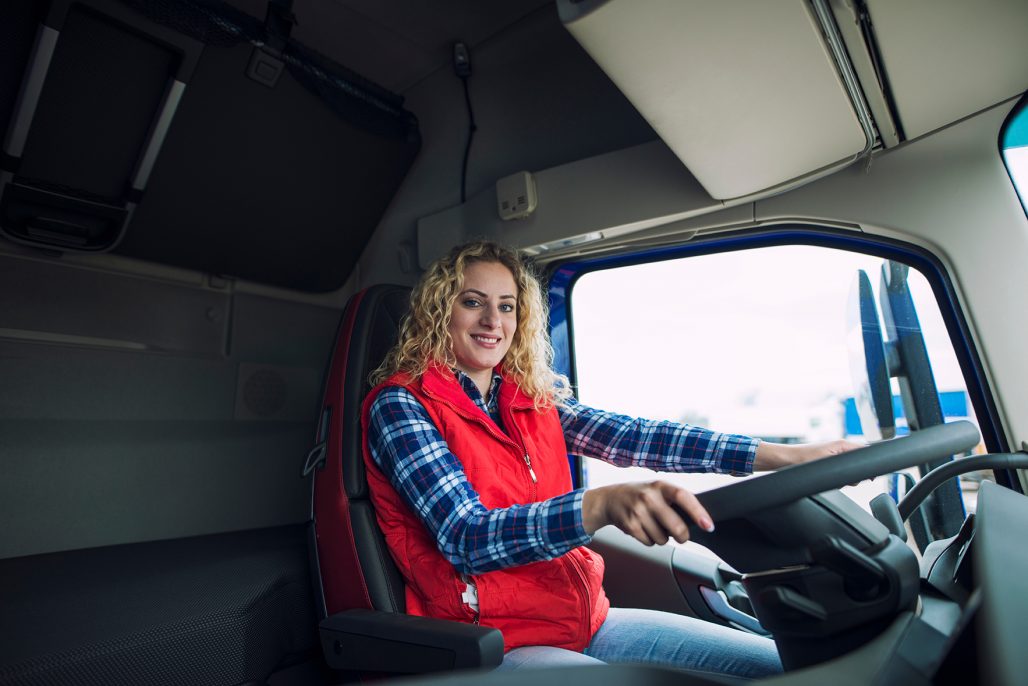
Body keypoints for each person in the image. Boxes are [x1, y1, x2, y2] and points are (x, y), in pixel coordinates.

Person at [361, 240, 860, 677]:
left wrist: (782, 457)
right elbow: (465, 536)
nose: (494, 321)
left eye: (508, 306)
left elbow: (638, 438)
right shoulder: (401, 404)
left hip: (584, 619)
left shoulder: (531, 399)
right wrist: (597, 506)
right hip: (495, 641)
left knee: (778, 668)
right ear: (439, 311)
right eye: (474, 303)